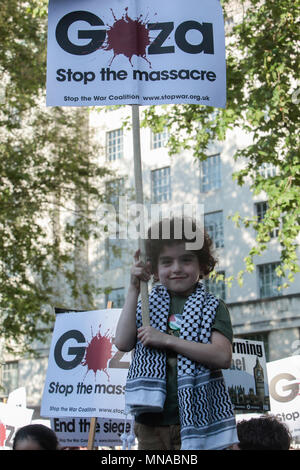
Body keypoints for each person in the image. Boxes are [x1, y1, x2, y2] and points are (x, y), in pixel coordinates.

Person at [115, 217, 238, 450]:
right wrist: (133, 287)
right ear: (154, 269)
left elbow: (222, 357)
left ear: (202, 265)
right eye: (167, 262)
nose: (177, 268)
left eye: (186, 260)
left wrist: (167, 340)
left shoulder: (214, 306)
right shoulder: (145, 304)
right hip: (151, 421)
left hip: (199, 418)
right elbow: (122, 342)